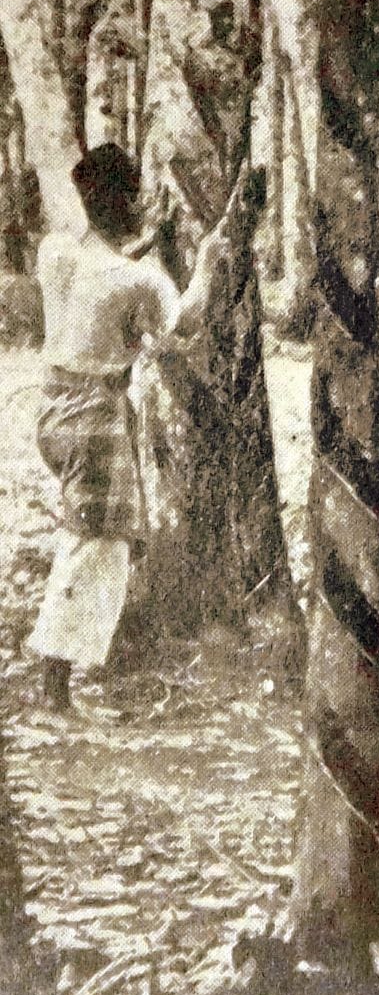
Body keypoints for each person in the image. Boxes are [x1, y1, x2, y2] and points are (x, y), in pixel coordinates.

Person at [31, 144, 223, 713]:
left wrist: (144, 246)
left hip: (53, 411)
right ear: (128, 201)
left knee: (88, 536)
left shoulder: (56, 254)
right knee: (96, 545)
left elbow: (104, 272)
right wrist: (207, 261)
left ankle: (57, 680)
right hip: (96, 417)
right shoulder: (140, 280)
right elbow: (183, 325)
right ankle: (55, 687)